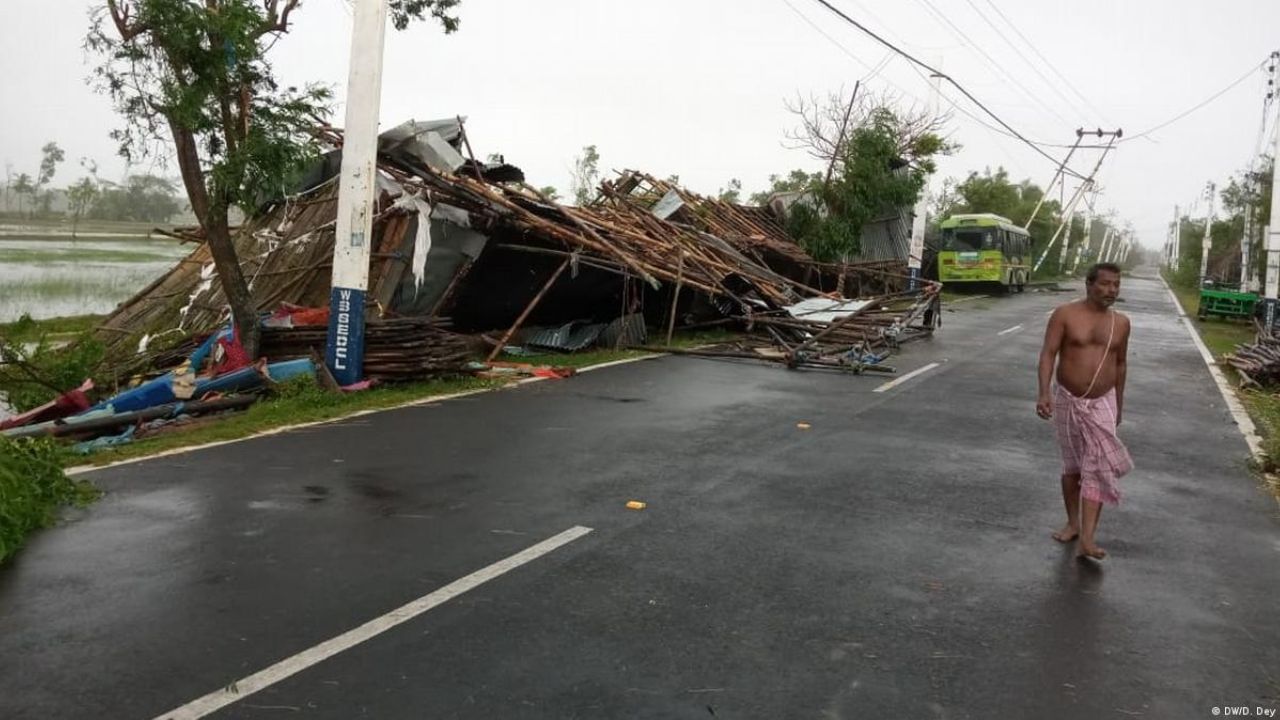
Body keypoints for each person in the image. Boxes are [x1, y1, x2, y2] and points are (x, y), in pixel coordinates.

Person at [1036, 262, 1133, 560]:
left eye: (1116, 285)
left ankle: (1088, 539)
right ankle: (1073, 524)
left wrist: (1119, 403)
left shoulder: (1122, 323)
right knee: (1073, 467)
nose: (1111, 290)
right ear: (1089, 284)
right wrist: (1044, 392)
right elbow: (1048, 353)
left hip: (1103, 400)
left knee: (1099, 468)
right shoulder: (1065, 315)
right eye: (1105, 284)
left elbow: (1120, 364)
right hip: (1067, 399)